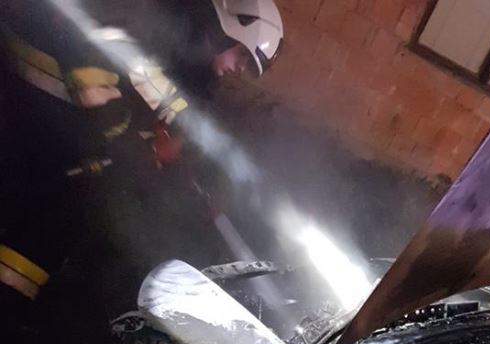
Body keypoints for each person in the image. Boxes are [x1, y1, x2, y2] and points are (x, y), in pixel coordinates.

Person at [0, 0, 284, 305]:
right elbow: (96, 96)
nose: (238, 68)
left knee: (71, 211)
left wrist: (199, 162)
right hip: (23, 108)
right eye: (241, 55)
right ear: (226, 30)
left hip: (58, 132)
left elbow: (176, 104)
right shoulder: (148, 23)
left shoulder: (189, 59)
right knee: (51, 208)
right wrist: (145, 147)